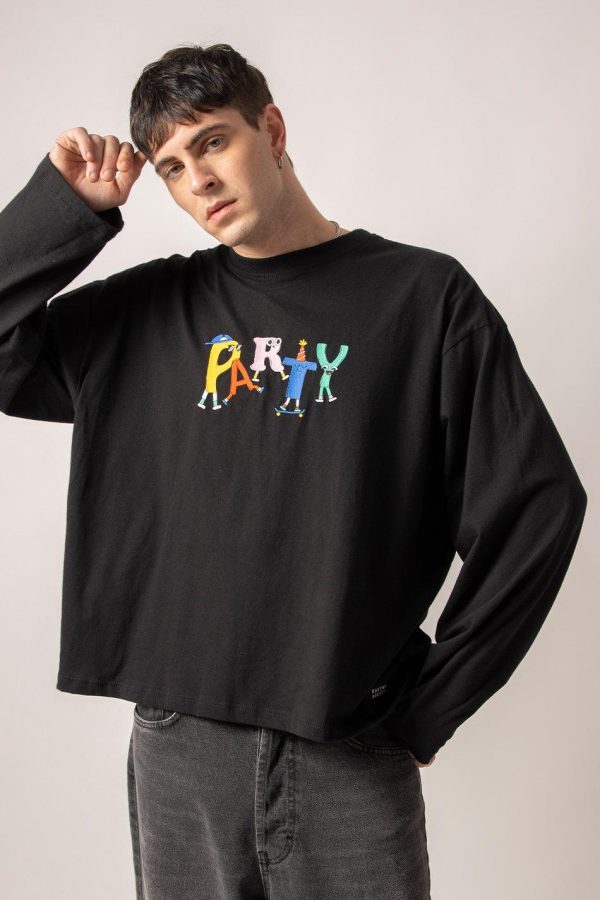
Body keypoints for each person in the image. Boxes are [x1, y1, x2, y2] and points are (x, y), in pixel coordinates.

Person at [0, 42, 587, 900]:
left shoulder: (423, 299)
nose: (199, 179)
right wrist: (60, 211)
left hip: (347, 745)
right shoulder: (147, 314)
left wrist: (435, 703)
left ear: (271, 130)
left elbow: (535, 508)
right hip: (182, 747)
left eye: (212, 141)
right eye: (171, 167)